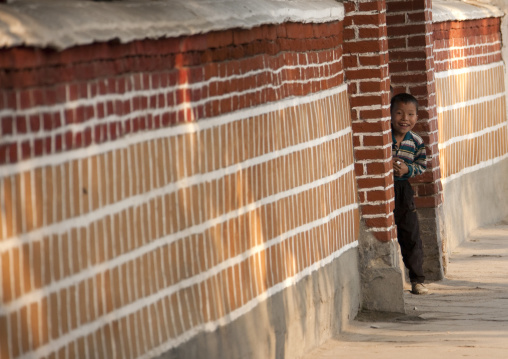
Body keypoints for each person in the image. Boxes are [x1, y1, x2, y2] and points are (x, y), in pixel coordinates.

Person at [390, 93, 428, 295]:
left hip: (404, 190)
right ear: (389, 114)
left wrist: (408, 170)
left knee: (411, 233)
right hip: (384, 190)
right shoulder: (381, 137)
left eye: (410, 114)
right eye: (399, 113)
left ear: (416, 117)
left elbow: (422, 165)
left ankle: (417, 280)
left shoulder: (416, 142)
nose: (404, 119)